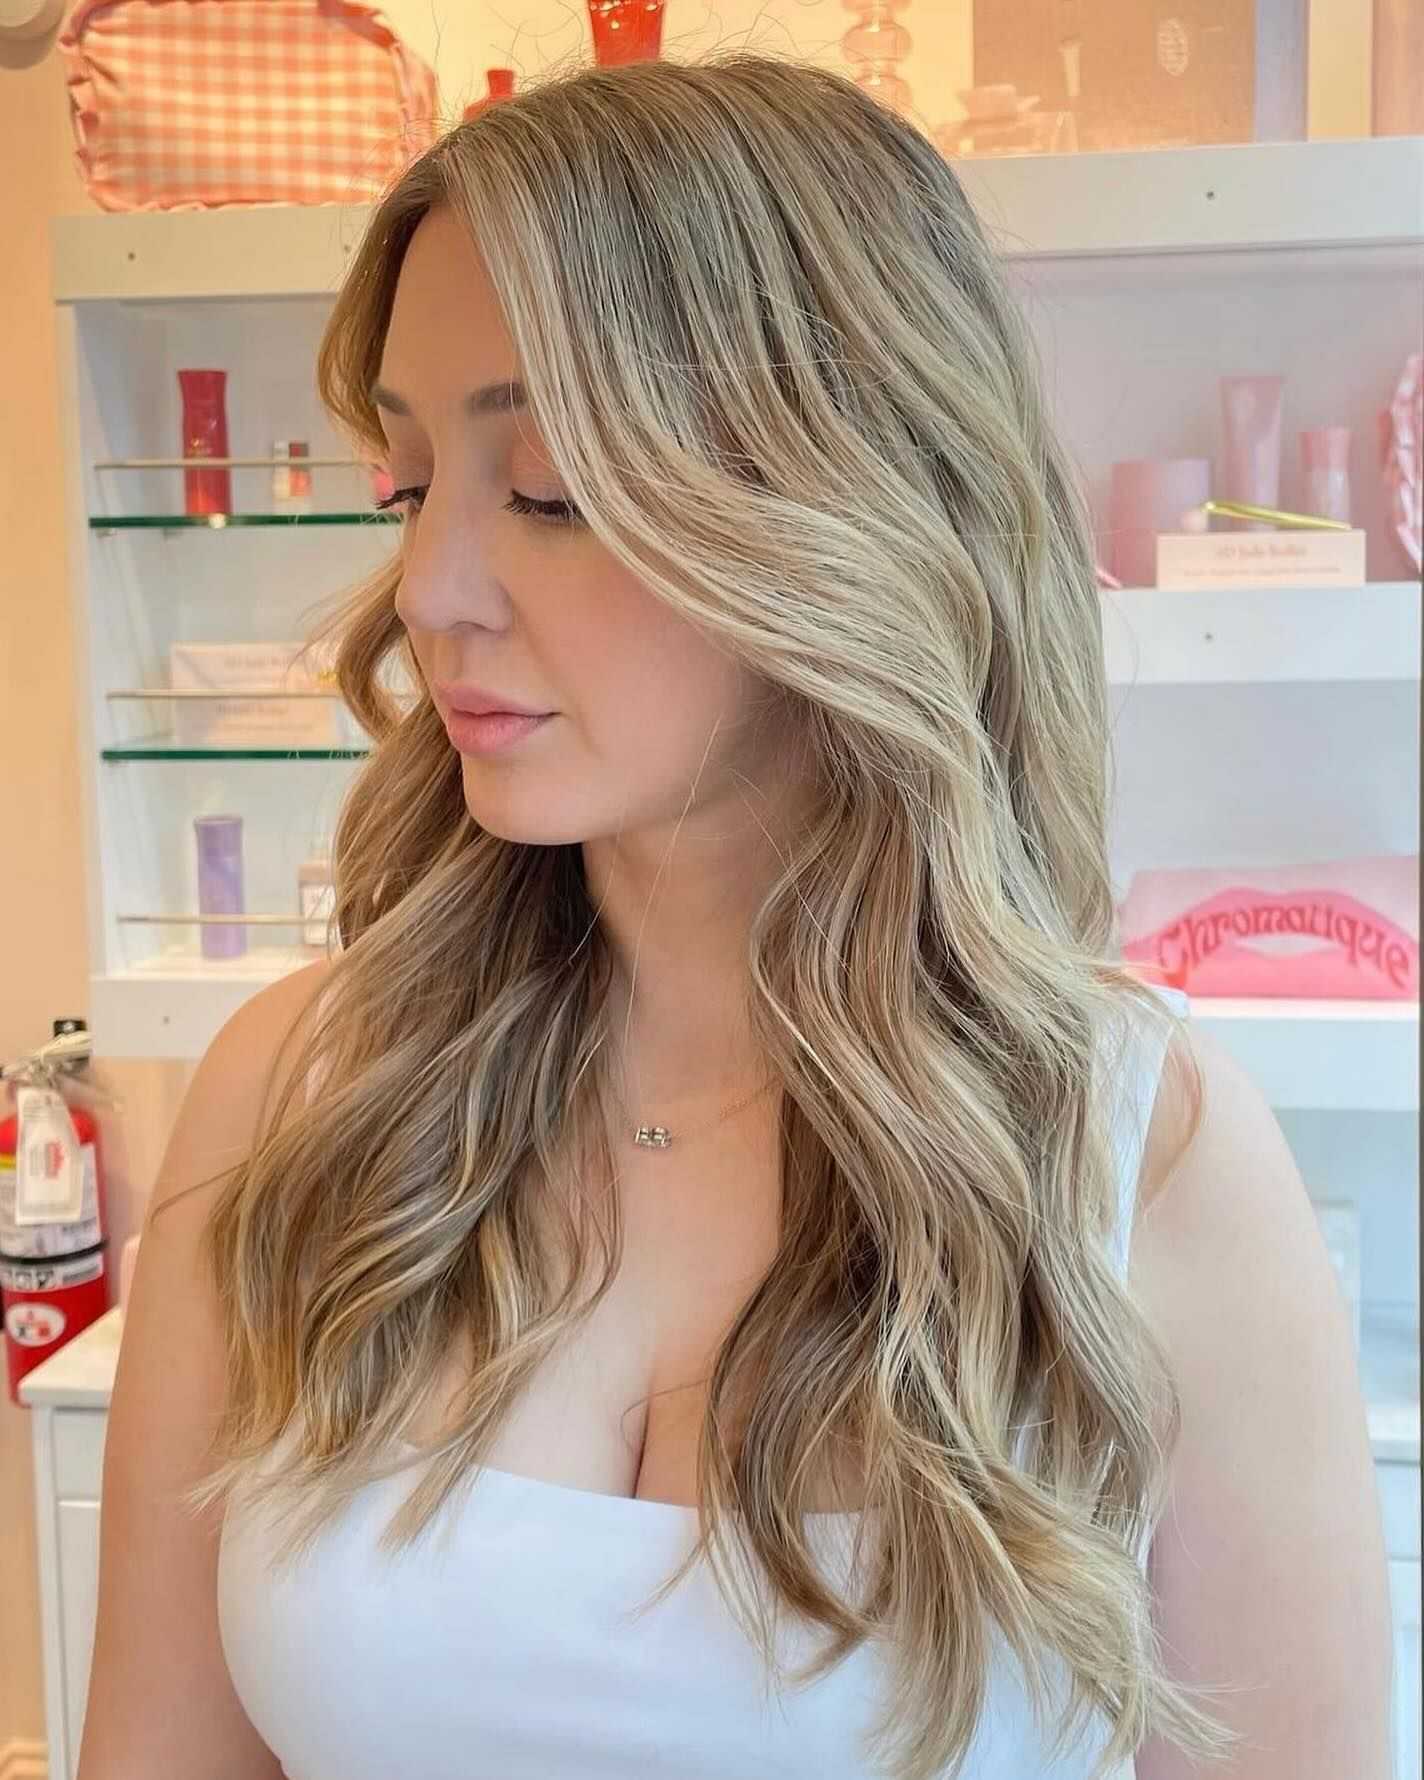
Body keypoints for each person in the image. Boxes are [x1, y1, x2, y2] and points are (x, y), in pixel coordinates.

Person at [77, 53, 1392, 1780]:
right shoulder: (297, 1101)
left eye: (545, 488)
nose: (432, 591)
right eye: (409, 488)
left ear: (842, 507)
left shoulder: (1138, 1159)